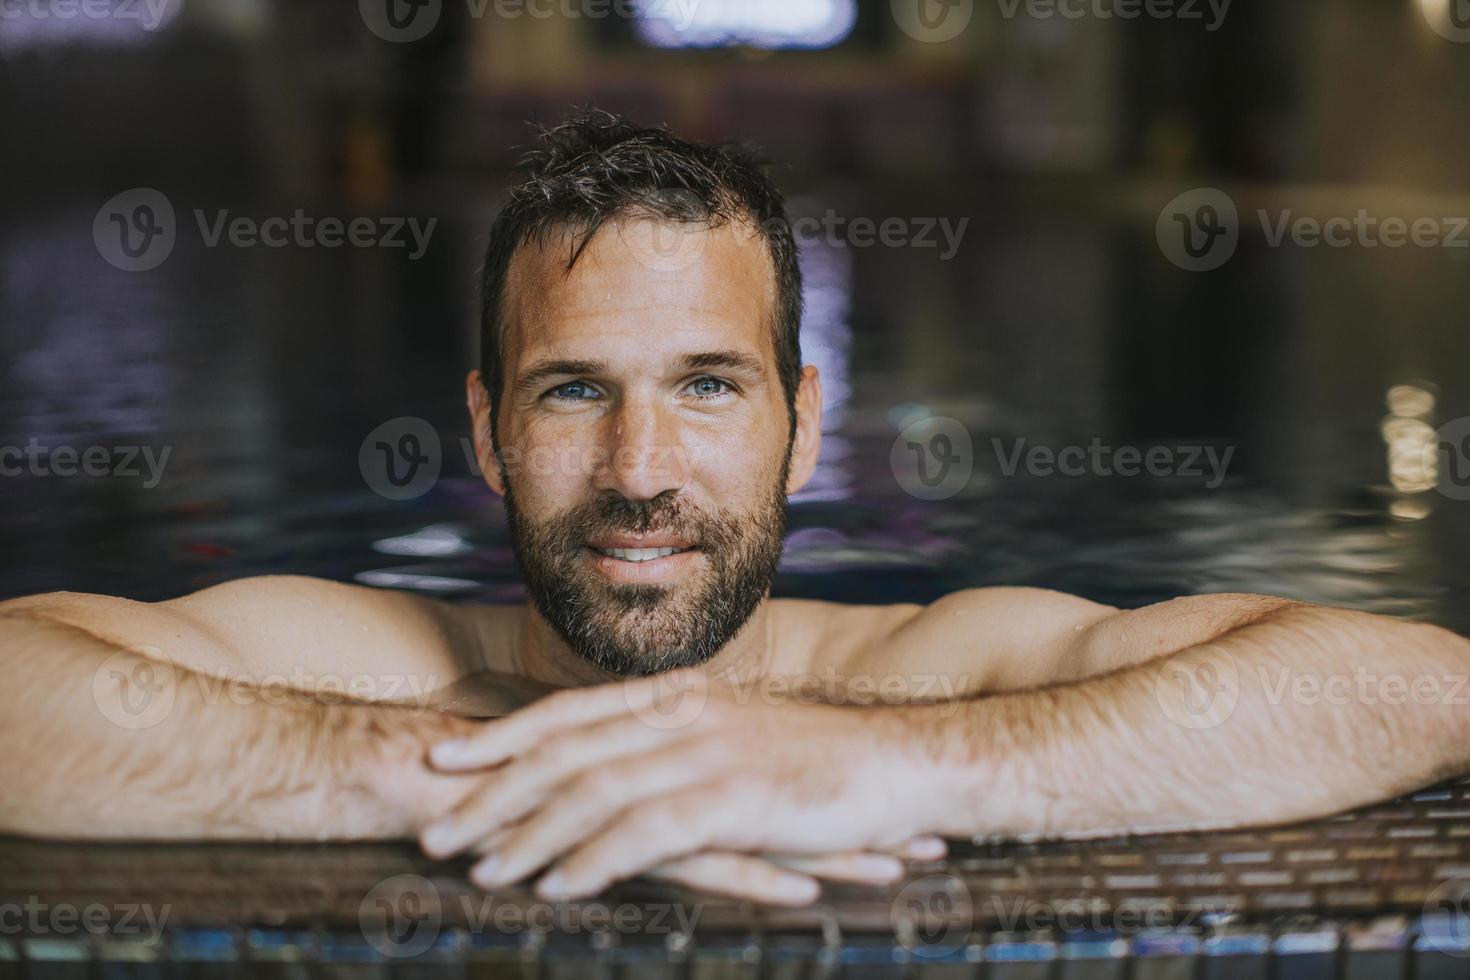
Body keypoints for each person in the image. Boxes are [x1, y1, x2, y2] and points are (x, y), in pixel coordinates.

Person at [4, 111, 1468, 908]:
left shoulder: (925, 676)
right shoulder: (371, 663)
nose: (641, 468)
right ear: (487, 432)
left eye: (707, 386)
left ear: (802, 426)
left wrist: (930, 771)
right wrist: (463, 772)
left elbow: (1424, 689)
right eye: (573, 391)